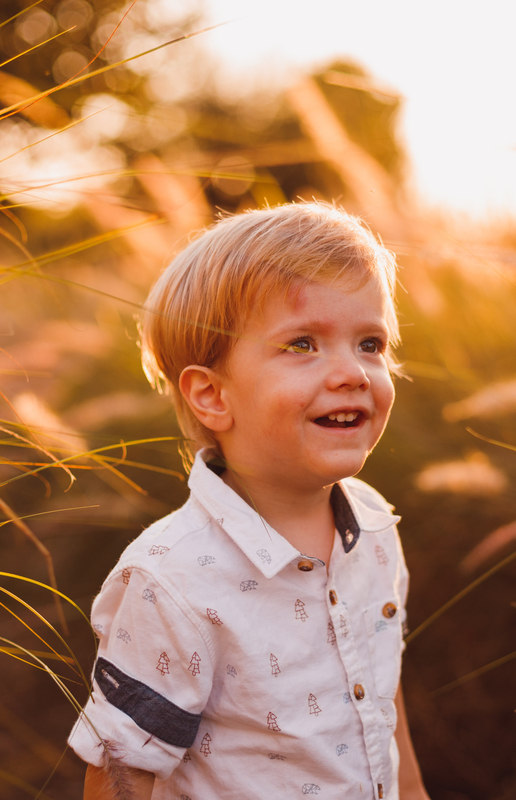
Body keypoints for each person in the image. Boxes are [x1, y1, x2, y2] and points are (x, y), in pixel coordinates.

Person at [68, 202, 430, 800]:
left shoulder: (374, 527)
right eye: (302, 344)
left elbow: (383, 699)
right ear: (212, 396)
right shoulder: (172, 577)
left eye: (370, 343)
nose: (354, 373)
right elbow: (122, 767)